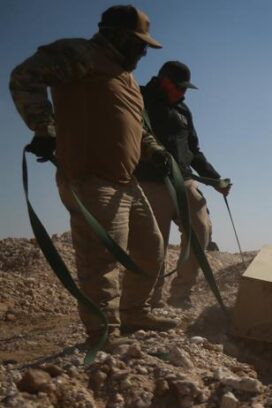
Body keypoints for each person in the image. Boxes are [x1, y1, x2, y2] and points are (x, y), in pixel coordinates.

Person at [10, 5, 178, 348]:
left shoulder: (126, 78)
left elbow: (136, 126)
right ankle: (103, 334)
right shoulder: (83, 54)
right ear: (116, 35)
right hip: (91, 177)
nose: (144, 51)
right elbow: (25, 76)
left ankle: (134, 312)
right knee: (102, 259)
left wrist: (156, 151)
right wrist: (45, 127)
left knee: (151, 250)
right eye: (139, 43)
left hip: (125, 180)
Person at [134, 61, 231, 308]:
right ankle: (148, 302)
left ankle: (180, 296)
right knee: (153, 245)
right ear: (165, 81)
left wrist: (214, 179)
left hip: (184, 181)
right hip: (149, 181)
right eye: (179, 87)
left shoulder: (184, 110)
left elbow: (193, 150)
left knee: (202, 230)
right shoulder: (138, 98)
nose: (183, 93)